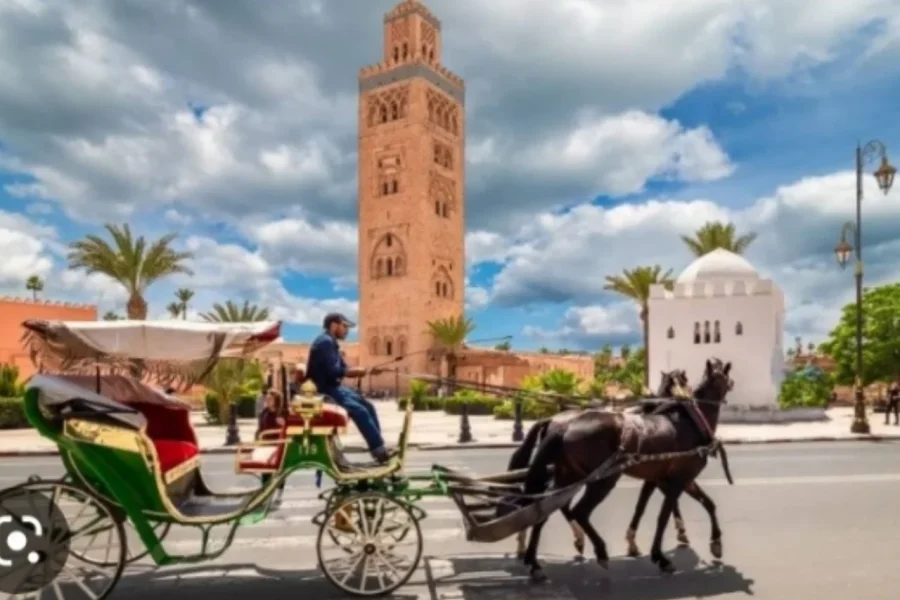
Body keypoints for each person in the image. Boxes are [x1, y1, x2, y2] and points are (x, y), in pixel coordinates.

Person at [306, 313, 393, 463]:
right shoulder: (325, 343)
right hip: (325, 390)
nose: (347, 330)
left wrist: (368, 370)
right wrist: (354, 372)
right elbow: (334, 371)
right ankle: (379, 451)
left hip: (334, 387)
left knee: (368, 406)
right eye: (345, 326)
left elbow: (344, 368)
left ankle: (379, 447)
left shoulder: (331, 343)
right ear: (334, 325)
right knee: (360, 411)